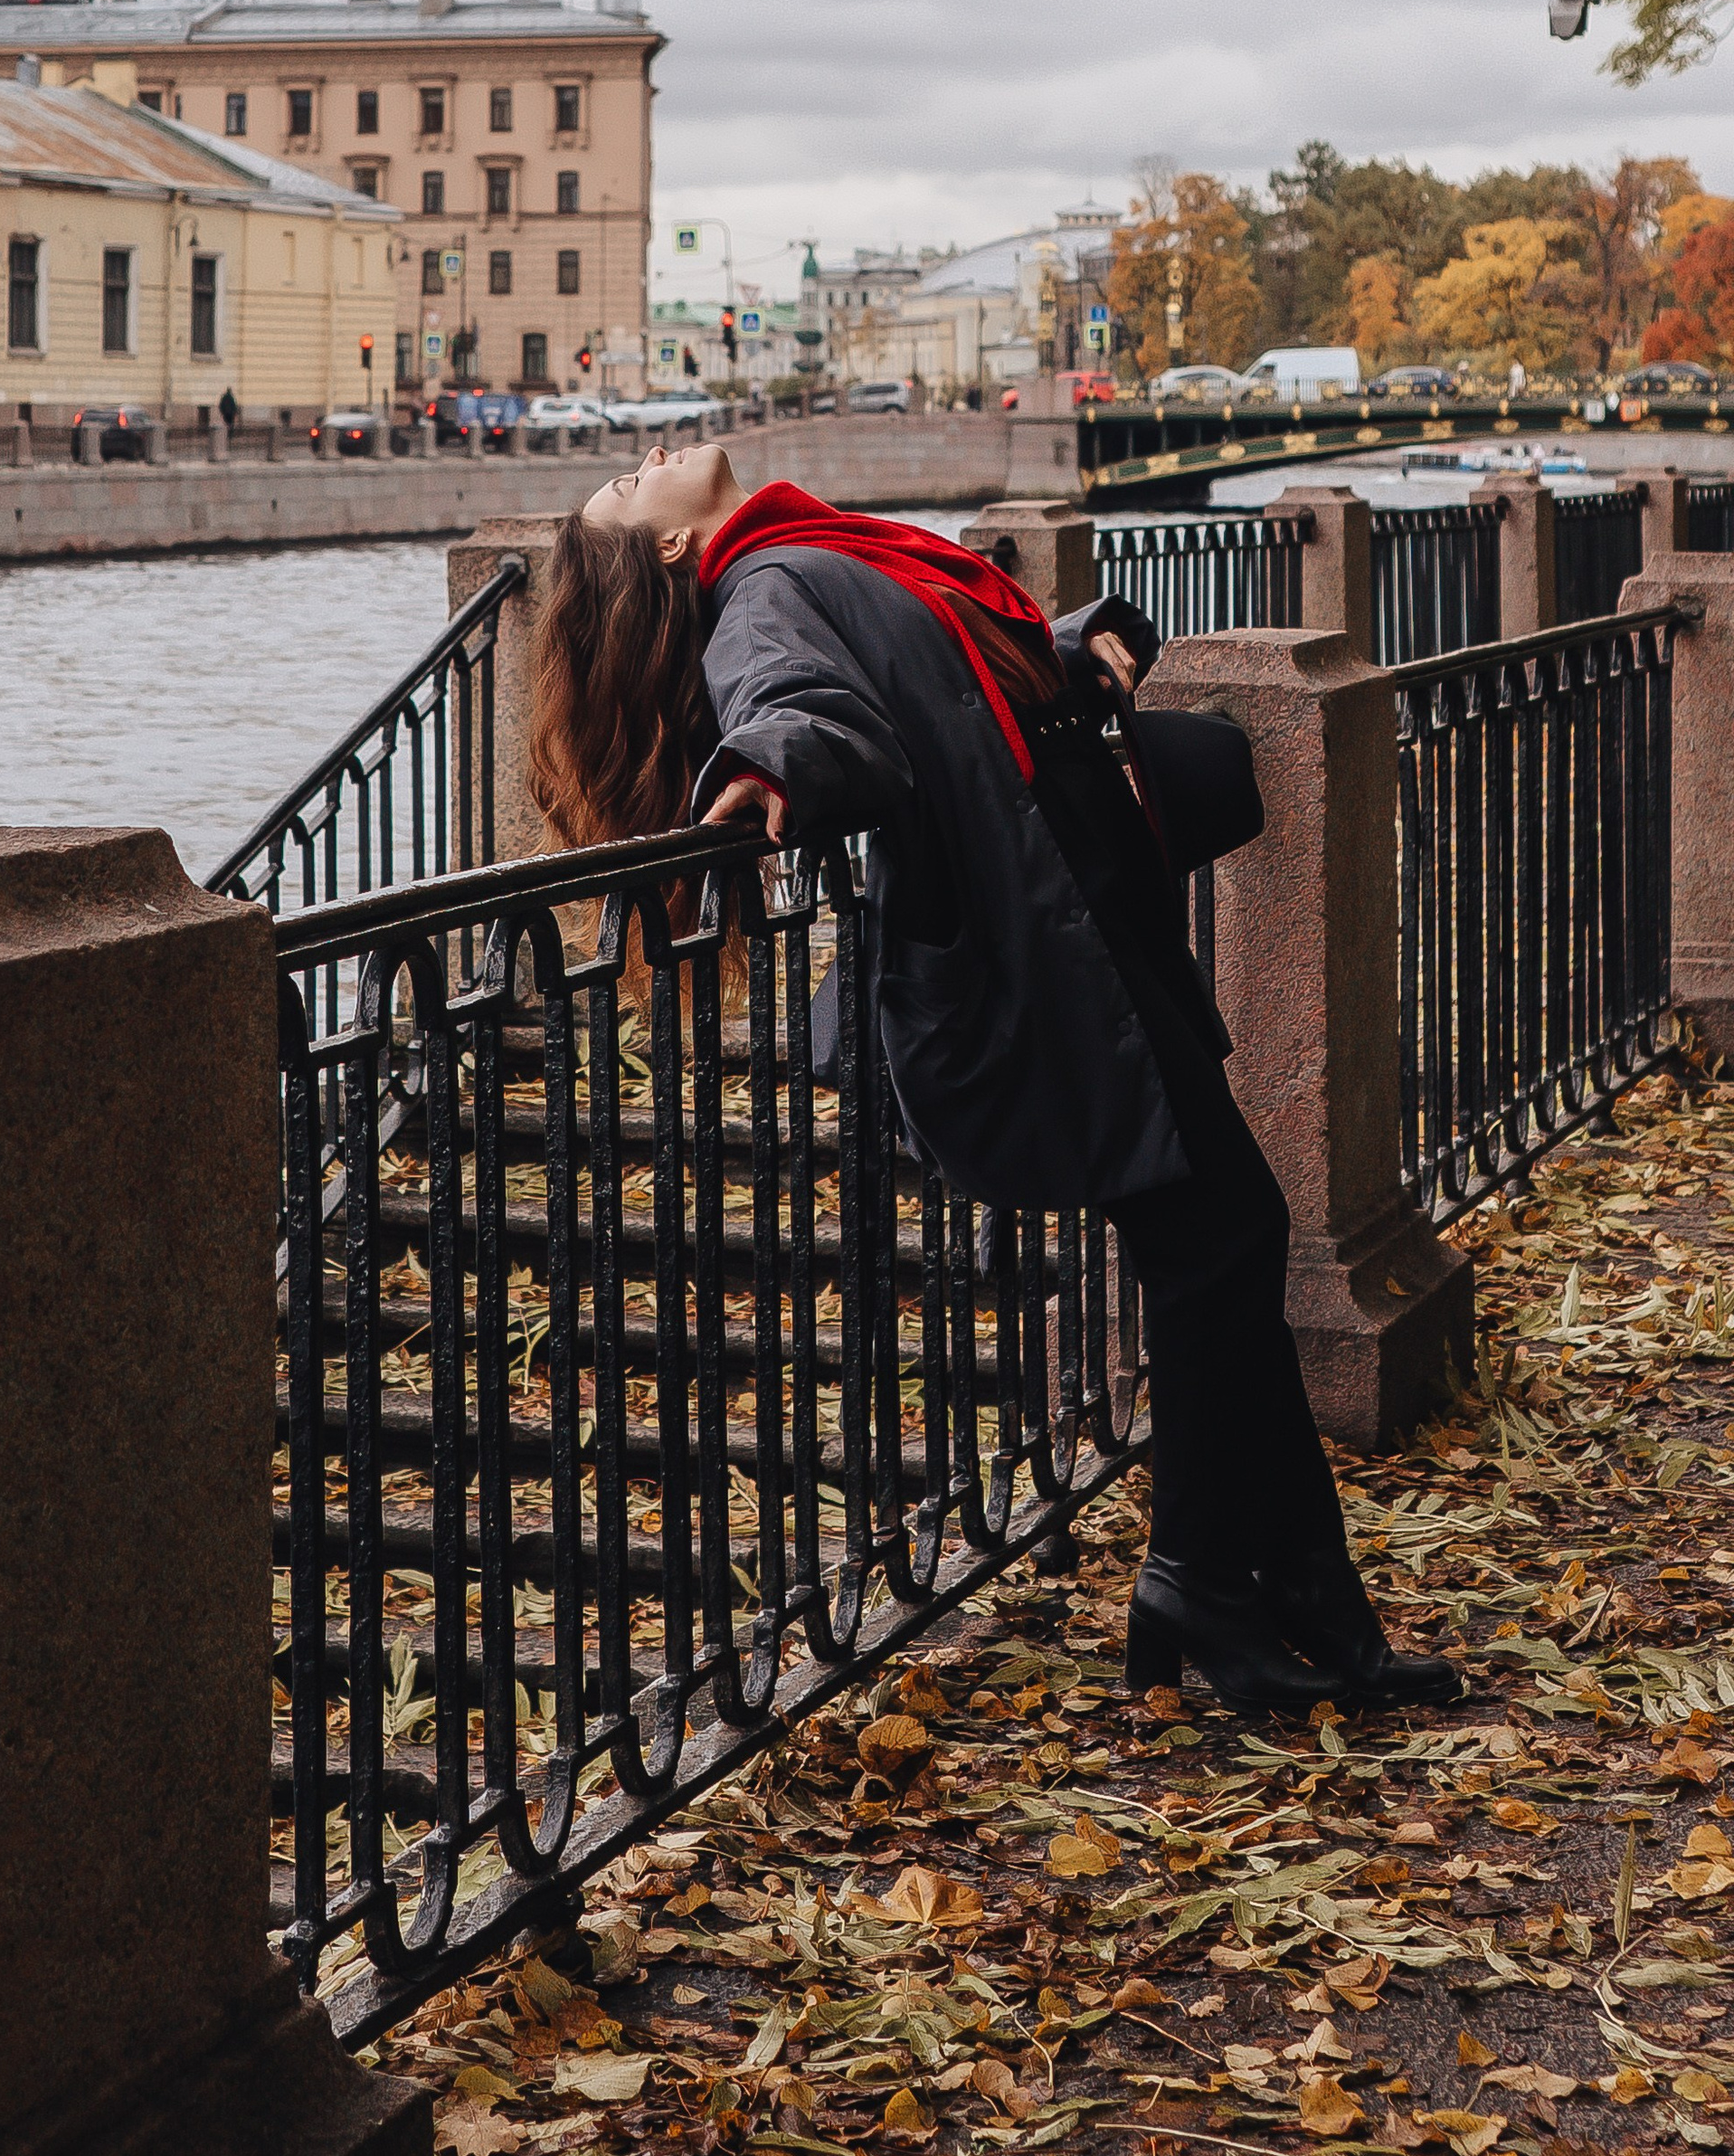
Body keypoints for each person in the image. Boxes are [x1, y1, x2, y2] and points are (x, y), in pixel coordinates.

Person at [528, 443, 1457, 1718]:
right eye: (631, 491)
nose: (646, 462)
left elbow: (938, 683)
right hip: (1048, 959)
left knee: (1229, 1247)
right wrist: (771, 766)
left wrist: (1074, 644)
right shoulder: (764, 593)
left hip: (1088, 922)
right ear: (676, 548)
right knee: (1225, 1244)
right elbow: (814, 710)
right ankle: (1214, 1587)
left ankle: (1296, 1601)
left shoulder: (819, 549)